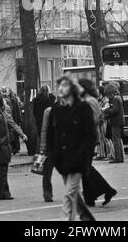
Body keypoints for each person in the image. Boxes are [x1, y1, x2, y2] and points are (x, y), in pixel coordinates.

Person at [46, 75, 96, 221]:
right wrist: (54, 155)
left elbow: (90, 135)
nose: (61, 88)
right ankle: (86, 217)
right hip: (62, 160)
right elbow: (51, 134)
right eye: (59, 85)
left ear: (72, 88)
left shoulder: (83, 108)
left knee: (69, 194)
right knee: (74, 192)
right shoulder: (56, 110)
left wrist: (84, 156)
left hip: (78, 160)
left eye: (65, 85)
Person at [78, 79, 117, 207]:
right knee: (85, 167)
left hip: (87, 138)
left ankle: (106, 190)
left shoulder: (90, 101)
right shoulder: (88, 101)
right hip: (86, 137)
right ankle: (90, 196)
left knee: (85, 167)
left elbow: (94, 118)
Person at [103, 82, 125, 163]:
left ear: (111, 93)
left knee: (116, 141)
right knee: (118, 140)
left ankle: (118, 158)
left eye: (108, 94)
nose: (107, 97)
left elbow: (114, 110)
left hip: (116, 122)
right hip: (118, 121)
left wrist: (105, 110)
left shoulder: (115, 99)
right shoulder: (117, 98)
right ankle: (120, 158)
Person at [39, 106, 54, 202]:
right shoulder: (49, 111)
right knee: (47, 171)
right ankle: (47, 193)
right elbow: (44, 129)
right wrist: (43, 146)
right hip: (51, 145)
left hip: (61, 145)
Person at [96, 86, 110, 159]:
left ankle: (109, 154)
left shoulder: (105, 100)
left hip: (104, 120)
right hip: (99, 120)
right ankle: (101, 154)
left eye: (97, 90)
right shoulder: (98, 100)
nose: (96, 92)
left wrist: (99, 109)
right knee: (100, 138)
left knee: (105, 138)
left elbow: (106, 109)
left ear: (101, 92)